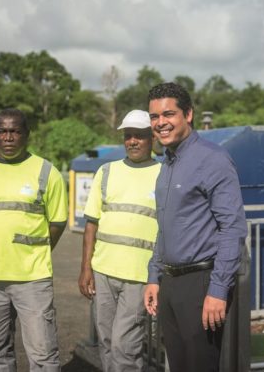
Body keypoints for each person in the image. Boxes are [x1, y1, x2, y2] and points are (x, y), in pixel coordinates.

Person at [143, 82, 247, 372]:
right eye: (154, 117)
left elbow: (232, 228)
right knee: (178, 365)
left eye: (168, 114)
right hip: (170, 283)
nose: (160, 123)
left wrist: (217, 290)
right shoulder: (167, 162)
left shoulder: (213, 159)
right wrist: (154, 275)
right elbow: (165, 227)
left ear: (188, 114)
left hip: (201, 283)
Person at [0, 108, 68, 372]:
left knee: (43, 354)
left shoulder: (47, 172)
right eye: (3, 131)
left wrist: (35, 251)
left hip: (32, 278)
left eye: (15, 131)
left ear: (26, 134)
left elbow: (57, 222)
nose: (8, 137)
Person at [78, 110, 161, 372]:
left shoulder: (165, 173)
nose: (133, 141)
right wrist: (86, 268)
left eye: (139, 136)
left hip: (139, 276)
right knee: (105, 341)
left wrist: (156, 277)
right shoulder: (106, 172)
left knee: (125, 346)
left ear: (152, 138)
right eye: (128, 136)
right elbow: (91, 223)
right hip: (103, 272)